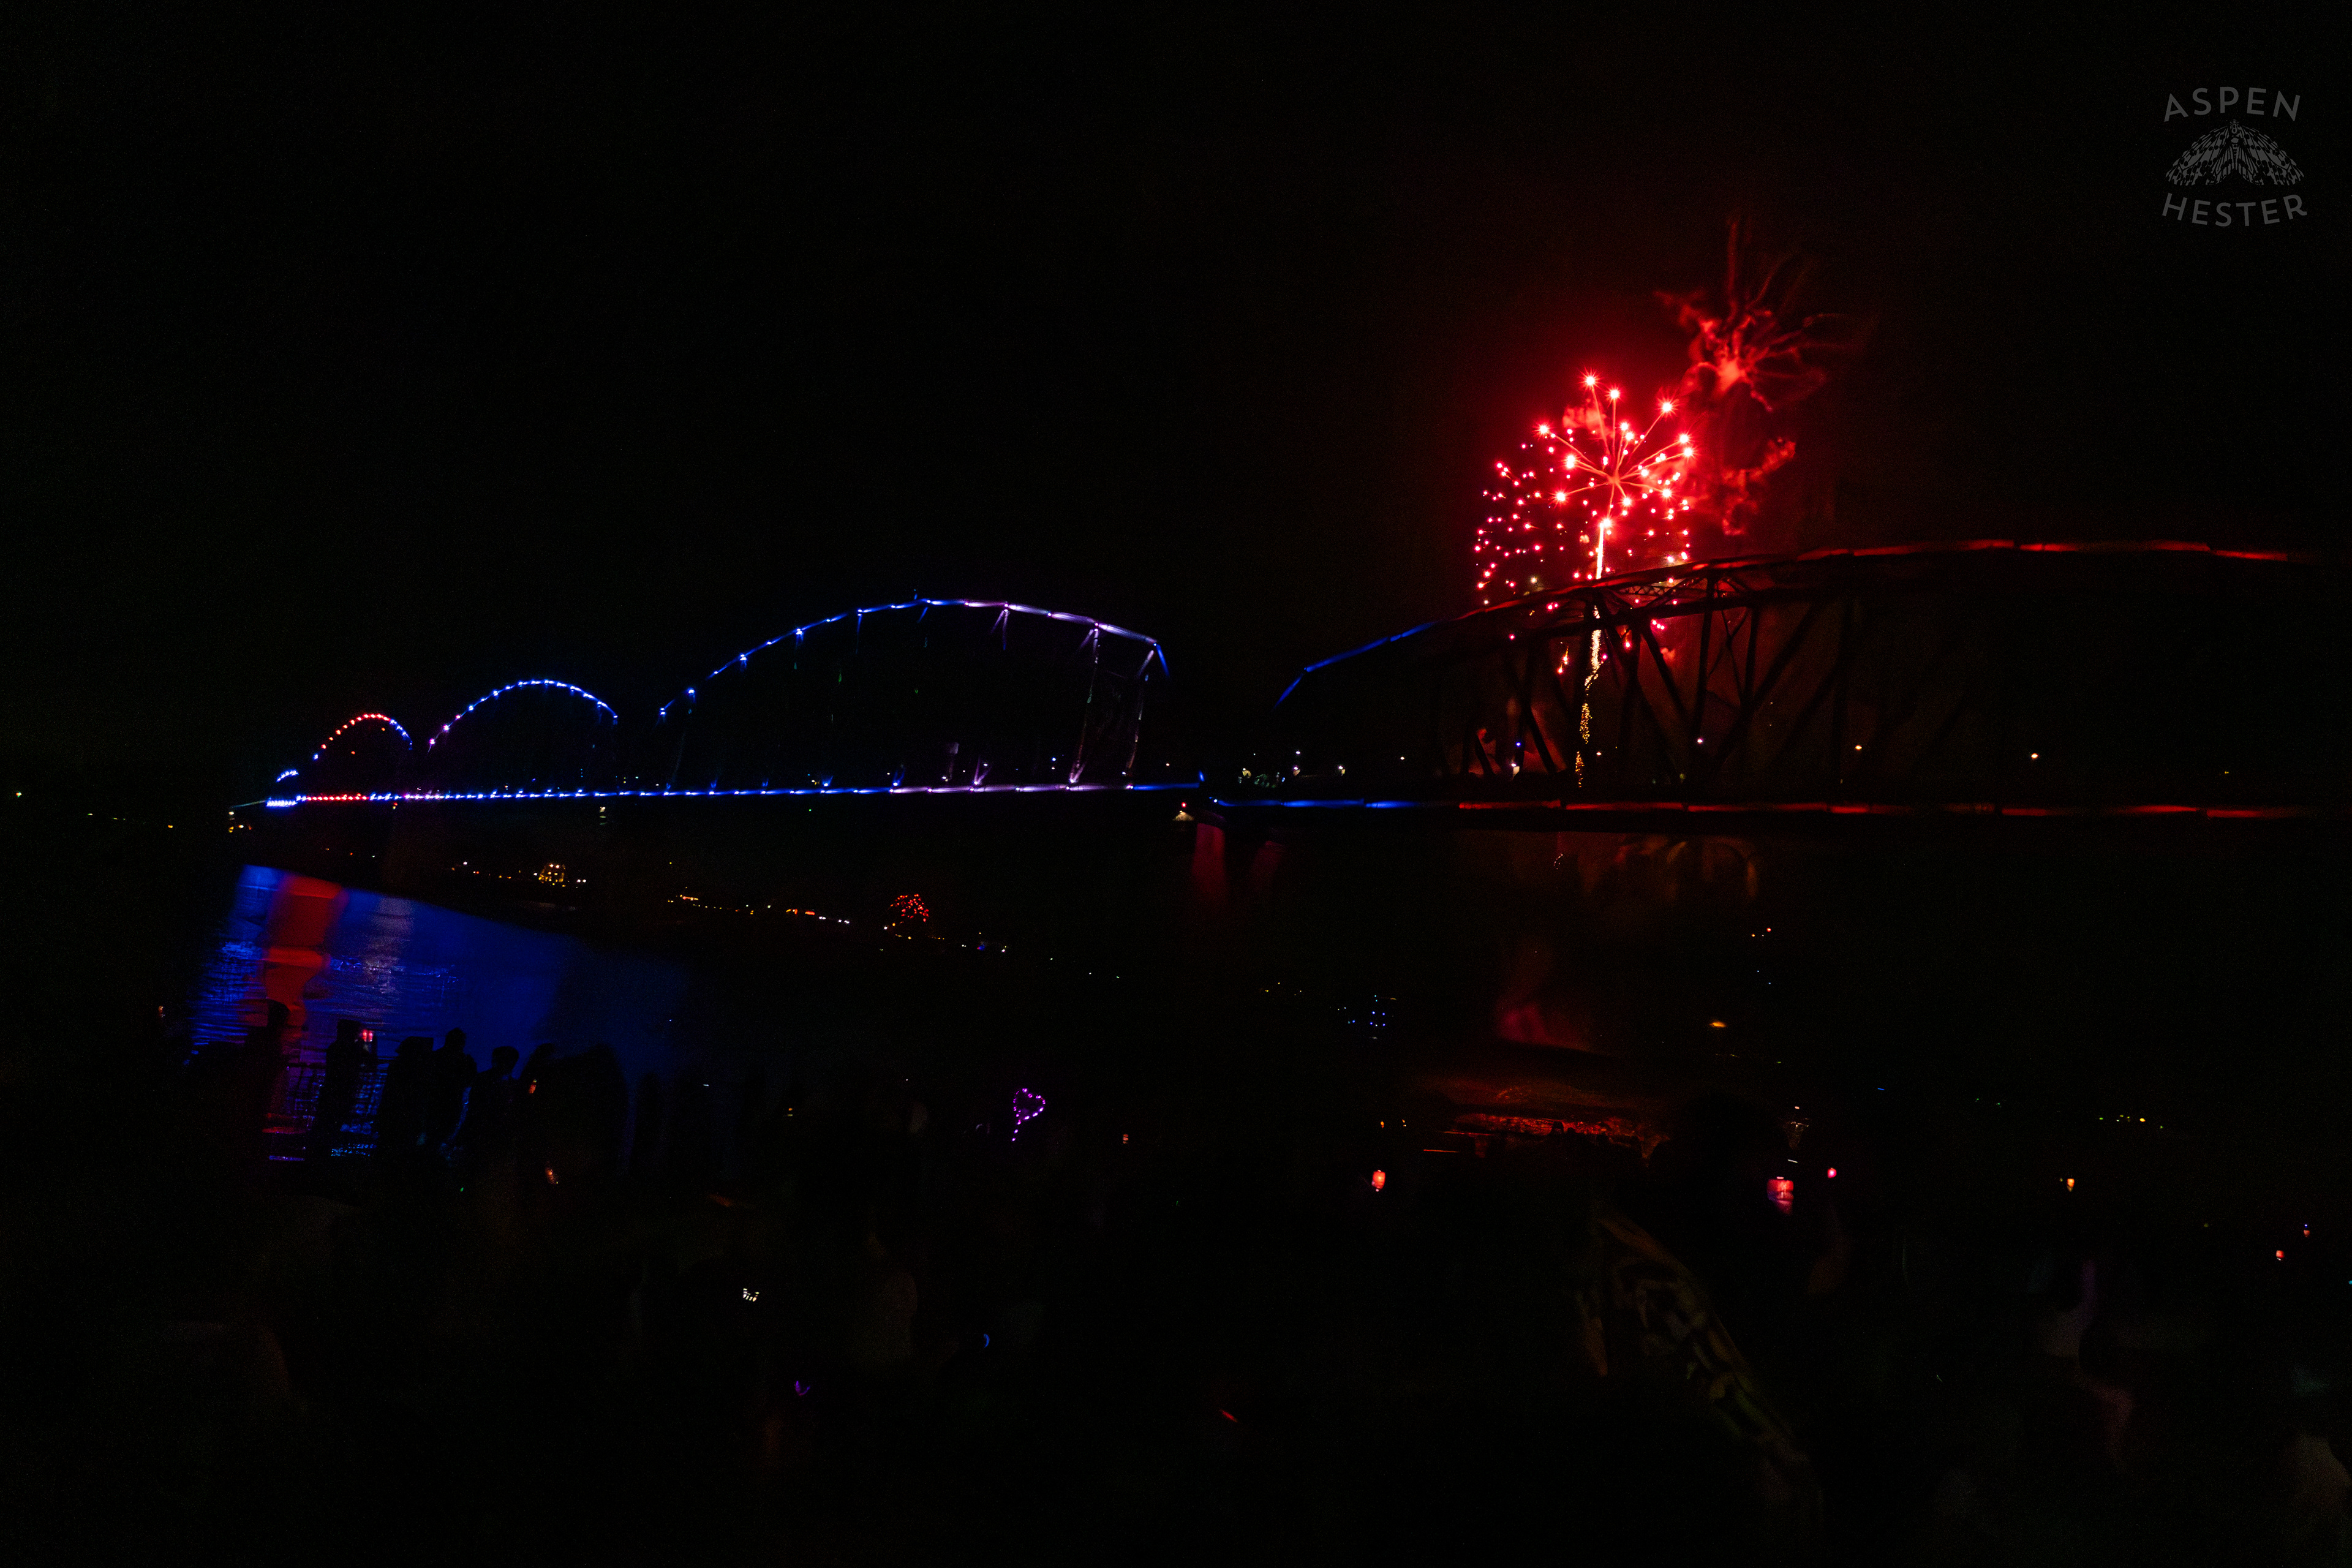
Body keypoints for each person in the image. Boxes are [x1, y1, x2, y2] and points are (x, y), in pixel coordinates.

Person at [427, 1028, 476, 1148]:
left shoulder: (435, 1057)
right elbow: (470, 1083)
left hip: (434, 1101)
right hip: (451, 1102)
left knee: (433, 1134)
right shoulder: (464, 1061)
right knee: (443, 1133)